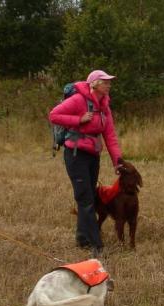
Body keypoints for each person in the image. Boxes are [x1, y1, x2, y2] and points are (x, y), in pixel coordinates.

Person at [49, 70, 123, 257]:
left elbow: (110, 135)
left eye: (109, 82)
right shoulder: (78, 100)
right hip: (75, 155)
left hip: (93, 155)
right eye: (105, 82)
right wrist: (78, 120)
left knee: (87, 198)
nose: (109, 85)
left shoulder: (104, 105)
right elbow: (54, 115)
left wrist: (117, 161)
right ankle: (96, 245)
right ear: (95, 84)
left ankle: (83, 238)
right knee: (86, 199)